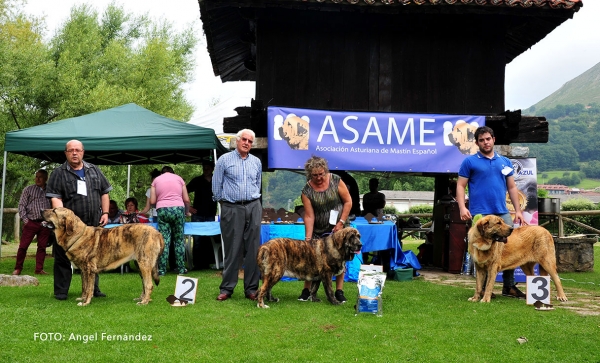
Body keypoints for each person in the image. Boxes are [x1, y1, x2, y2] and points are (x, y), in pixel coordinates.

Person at [456, 126, 527, 299]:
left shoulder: (505, 162)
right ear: (477, 143)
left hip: (502, 213)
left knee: (508, 248)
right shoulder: (469, 162)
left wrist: (517, 211)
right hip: (480, 214)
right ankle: (485, 290)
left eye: (488, 139)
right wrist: (462, 207)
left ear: (493, 139)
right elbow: (460, 185)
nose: (485, 142)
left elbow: (512, 187)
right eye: (481, 140)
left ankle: (509, 286)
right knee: (481, 249)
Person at [46, 139, 111, 300]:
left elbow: (105, 192)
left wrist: (106, 213)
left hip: (92, 223)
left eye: (77, 150)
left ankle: (93, 289)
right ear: (65, 153)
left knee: (92, 256)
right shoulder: (58, 173)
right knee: (62, 256)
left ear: (83, 152)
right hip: (68, 226)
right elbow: (55, 199)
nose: (74, 153)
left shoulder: (94, 170)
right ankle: (61, 291)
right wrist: (62, 220)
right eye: (71, 150)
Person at [212, 129, 262, 301]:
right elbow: (216, 186)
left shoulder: (256, 162)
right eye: (244, 139)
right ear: (237, 141)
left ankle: (251, 289)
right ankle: (227, 288)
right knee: (233, 249)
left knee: (253, 249)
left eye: (250, 141)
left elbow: (258, 184)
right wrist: (224, 204)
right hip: (232, 207)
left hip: (253, 206)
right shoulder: (224, 160)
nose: (247, 143)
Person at [298, 156, 352, 303]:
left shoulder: (336, 180)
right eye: (315, 175)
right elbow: (309, 216)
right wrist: (308, 239)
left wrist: (341, 222)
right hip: (319, 229)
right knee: (311, 259)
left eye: (321, 174)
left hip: (339, 226)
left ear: (325, 171)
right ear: (310, 175)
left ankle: (339, 291)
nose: (319, 177)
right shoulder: (307, 190)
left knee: (340, 259)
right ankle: (306, 290)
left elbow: (348, 202)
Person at [150, 165, 190, 275]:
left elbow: (152, 200)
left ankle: (162, 270)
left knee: (164, 241)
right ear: (173, 172)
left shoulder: (156, 181)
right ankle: (181, 269)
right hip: (178, 209)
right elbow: (186, 199)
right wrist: (186, 212)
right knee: (178, 240)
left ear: (162, 173)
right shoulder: (179, 179)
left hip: (162, 210)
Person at [12, 169, 52, 275]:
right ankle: (18, 268)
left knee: (42, 247)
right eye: (36, 176)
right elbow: (21, 206)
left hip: (45, 223)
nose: (37, 179)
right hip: (31, 222)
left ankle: (39, 269)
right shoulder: (28, 189)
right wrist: (26, 220)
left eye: (40, 177)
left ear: (45, 178)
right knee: (23, 246)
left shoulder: (51, 190)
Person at [187, 159, 218, 269]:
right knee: (198, 240)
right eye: (204, 168)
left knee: (209, 240)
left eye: (208, 168)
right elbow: (183, 191)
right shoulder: (197, 180)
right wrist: (188, 207)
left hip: (210, 214)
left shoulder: (216, 180)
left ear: (212, 169)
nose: (205, 170)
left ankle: (208, 263)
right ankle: (197, 264)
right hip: (198, 215)